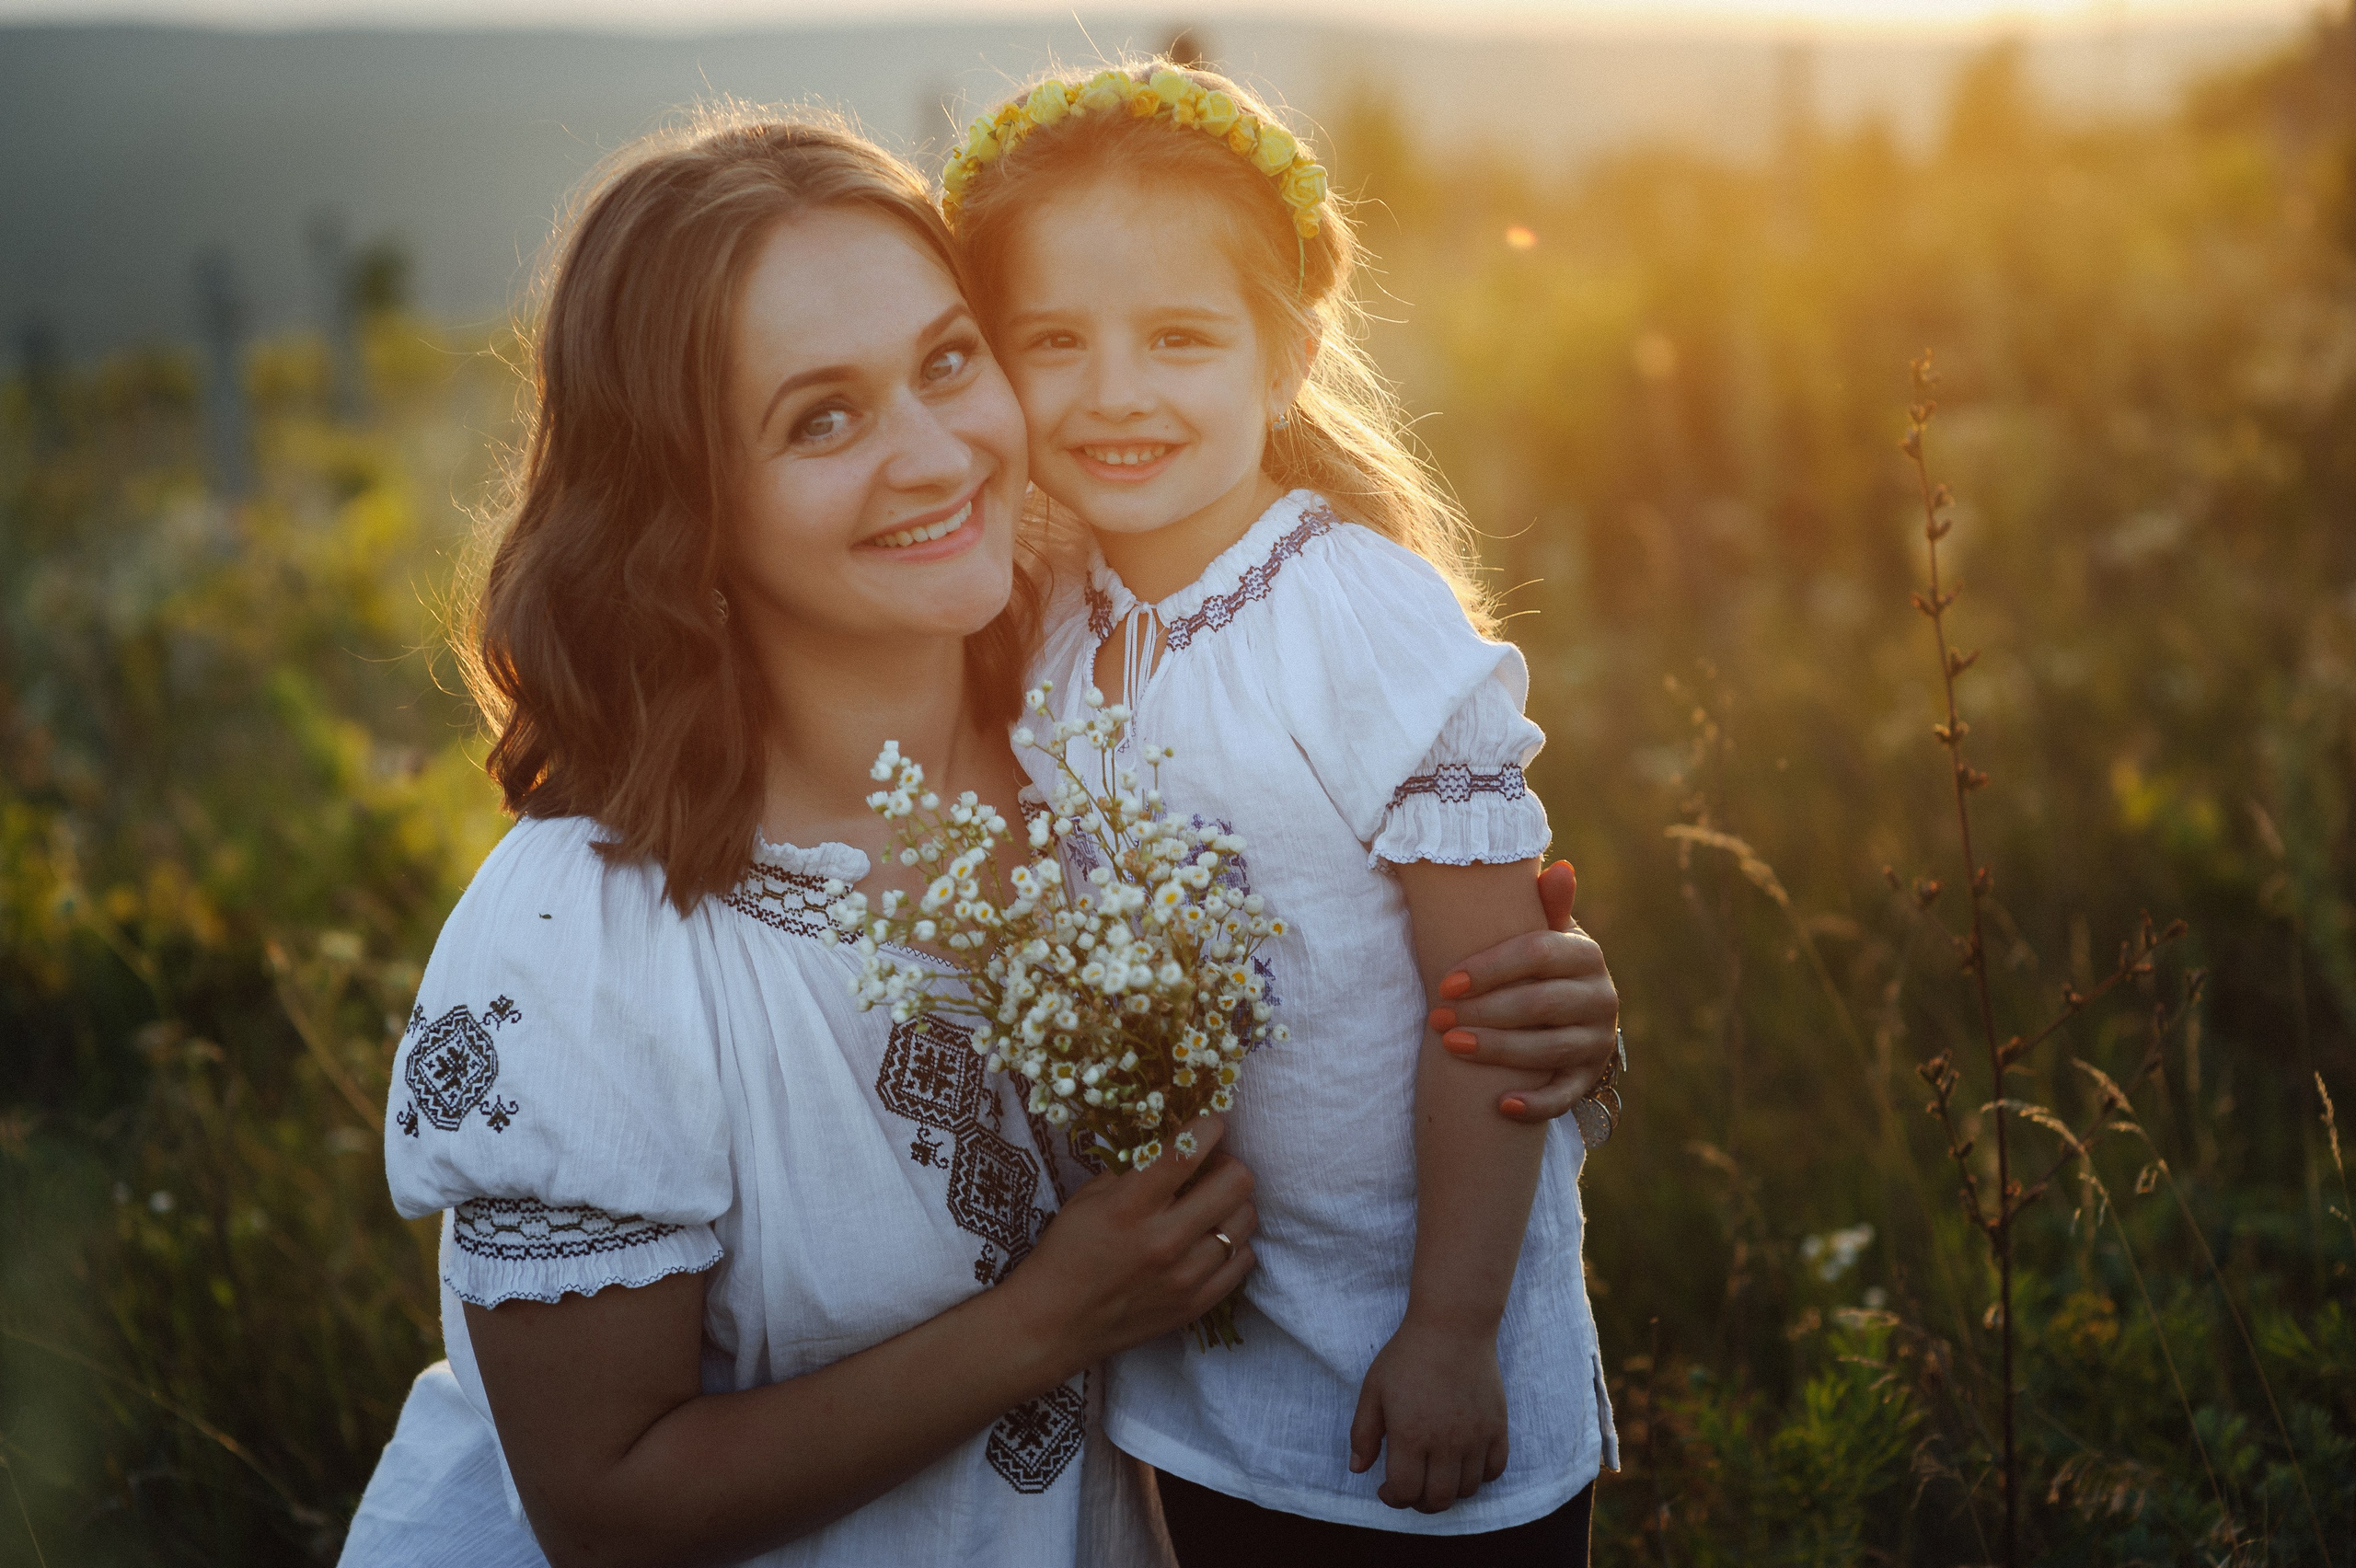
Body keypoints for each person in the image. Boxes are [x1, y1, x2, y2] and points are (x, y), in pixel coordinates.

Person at [340, 108, 1621, 1568]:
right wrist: (1042, 1325)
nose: (937, 452)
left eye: (951, 362)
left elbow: (1382, 972)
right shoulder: (589, 937)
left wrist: (1533, 1008)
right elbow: (606, 1510)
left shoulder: (1115, 711)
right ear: (683, 500)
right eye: (821, 417)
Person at [942, 62, 1619, 1564]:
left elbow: (1494, 1012)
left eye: (1179, 338)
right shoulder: (1051, 603)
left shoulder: (1360, 622)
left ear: (1287, 355)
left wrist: (1448, 1330)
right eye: (1054, 342)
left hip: (1416, 1361)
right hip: (1196, 1358)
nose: (1114, 390)